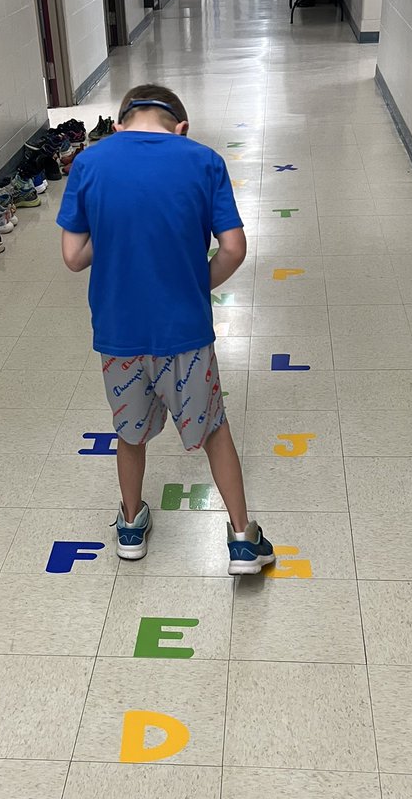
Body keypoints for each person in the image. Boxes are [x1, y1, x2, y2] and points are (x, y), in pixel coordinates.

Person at [56, 83, 276, 575]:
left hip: (119, 335)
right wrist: (196, 287)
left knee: (129, 434)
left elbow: (73, 258)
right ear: (181, 127)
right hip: (186, 333)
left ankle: (131, 526)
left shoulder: (90, 163)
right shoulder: (203, 161)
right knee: (215, 429)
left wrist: (110, 239)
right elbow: (234, 248)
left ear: (119, 125)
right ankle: (242, 538)